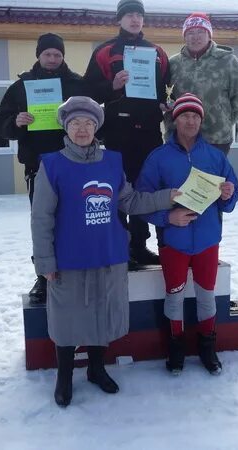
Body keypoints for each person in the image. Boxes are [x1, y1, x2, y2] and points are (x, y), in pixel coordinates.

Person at [31, 96, 178, 407]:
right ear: (66, 127)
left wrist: (169, 197)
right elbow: (41, 217)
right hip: (68, 258)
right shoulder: (52, 164)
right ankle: (64, 378)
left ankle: (97, 370)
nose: (82, 129)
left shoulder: (112, 161)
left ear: (96, 127)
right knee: (67, 319)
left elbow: (132, 202)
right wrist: (45, 261)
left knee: (102, 316)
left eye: (88, 123)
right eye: (75, 123)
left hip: (108, 253)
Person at [136, 93, 238, 375]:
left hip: (207, 241)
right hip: (174, 242)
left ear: (201, 121)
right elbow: (141, 202)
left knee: (207, 296)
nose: (190, 120)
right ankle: (176, 349)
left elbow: (231, 197)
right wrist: (167, 218)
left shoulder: (215, 156)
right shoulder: (159, 158)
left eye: (195, 116)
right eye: (185, 115)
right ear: (175, 119)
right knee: (175, 296)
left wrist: (228, 195)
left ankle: (208, 349)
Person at [0, 33, 89, 304]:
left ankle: (77, 270)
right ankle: (43, 275)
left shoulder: (76, 84)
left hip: (74, 164)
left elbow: (94, 115)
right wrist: (16, 121)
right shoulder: (22, 87)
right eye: (47, 54)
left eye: (57, 54)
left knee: (76, 218)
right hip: (38, 165)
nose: (52, 59)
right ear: (38, 55)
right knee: (43, 223)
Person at [84, 0, 170, 268]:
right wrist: (112, 85)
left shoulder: (157, 52)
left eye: (139, 15)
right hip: (117, 132)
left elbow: (166, 88)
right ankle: (120, 247)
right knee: (119, 189)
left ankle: (140, 246)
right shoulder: (105, 51)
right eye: (129, 15)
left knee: (145, 188)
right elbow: (88, 91)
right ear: (119, 19)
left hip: (149, 132)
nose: (135, 19)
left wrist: (166, 104)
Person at [165, 12, 238, 154]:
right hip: (180, 139)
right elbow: (167, 96)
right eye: (190, 33)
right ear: (184, 37)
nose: (195, 37)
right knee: (179, 176)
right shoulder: (173, 63)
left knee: (210, 177)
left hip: (215, 140)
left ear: (209, 35)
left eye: (201, 32)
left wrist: (224, 122)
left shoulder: (227, 61)